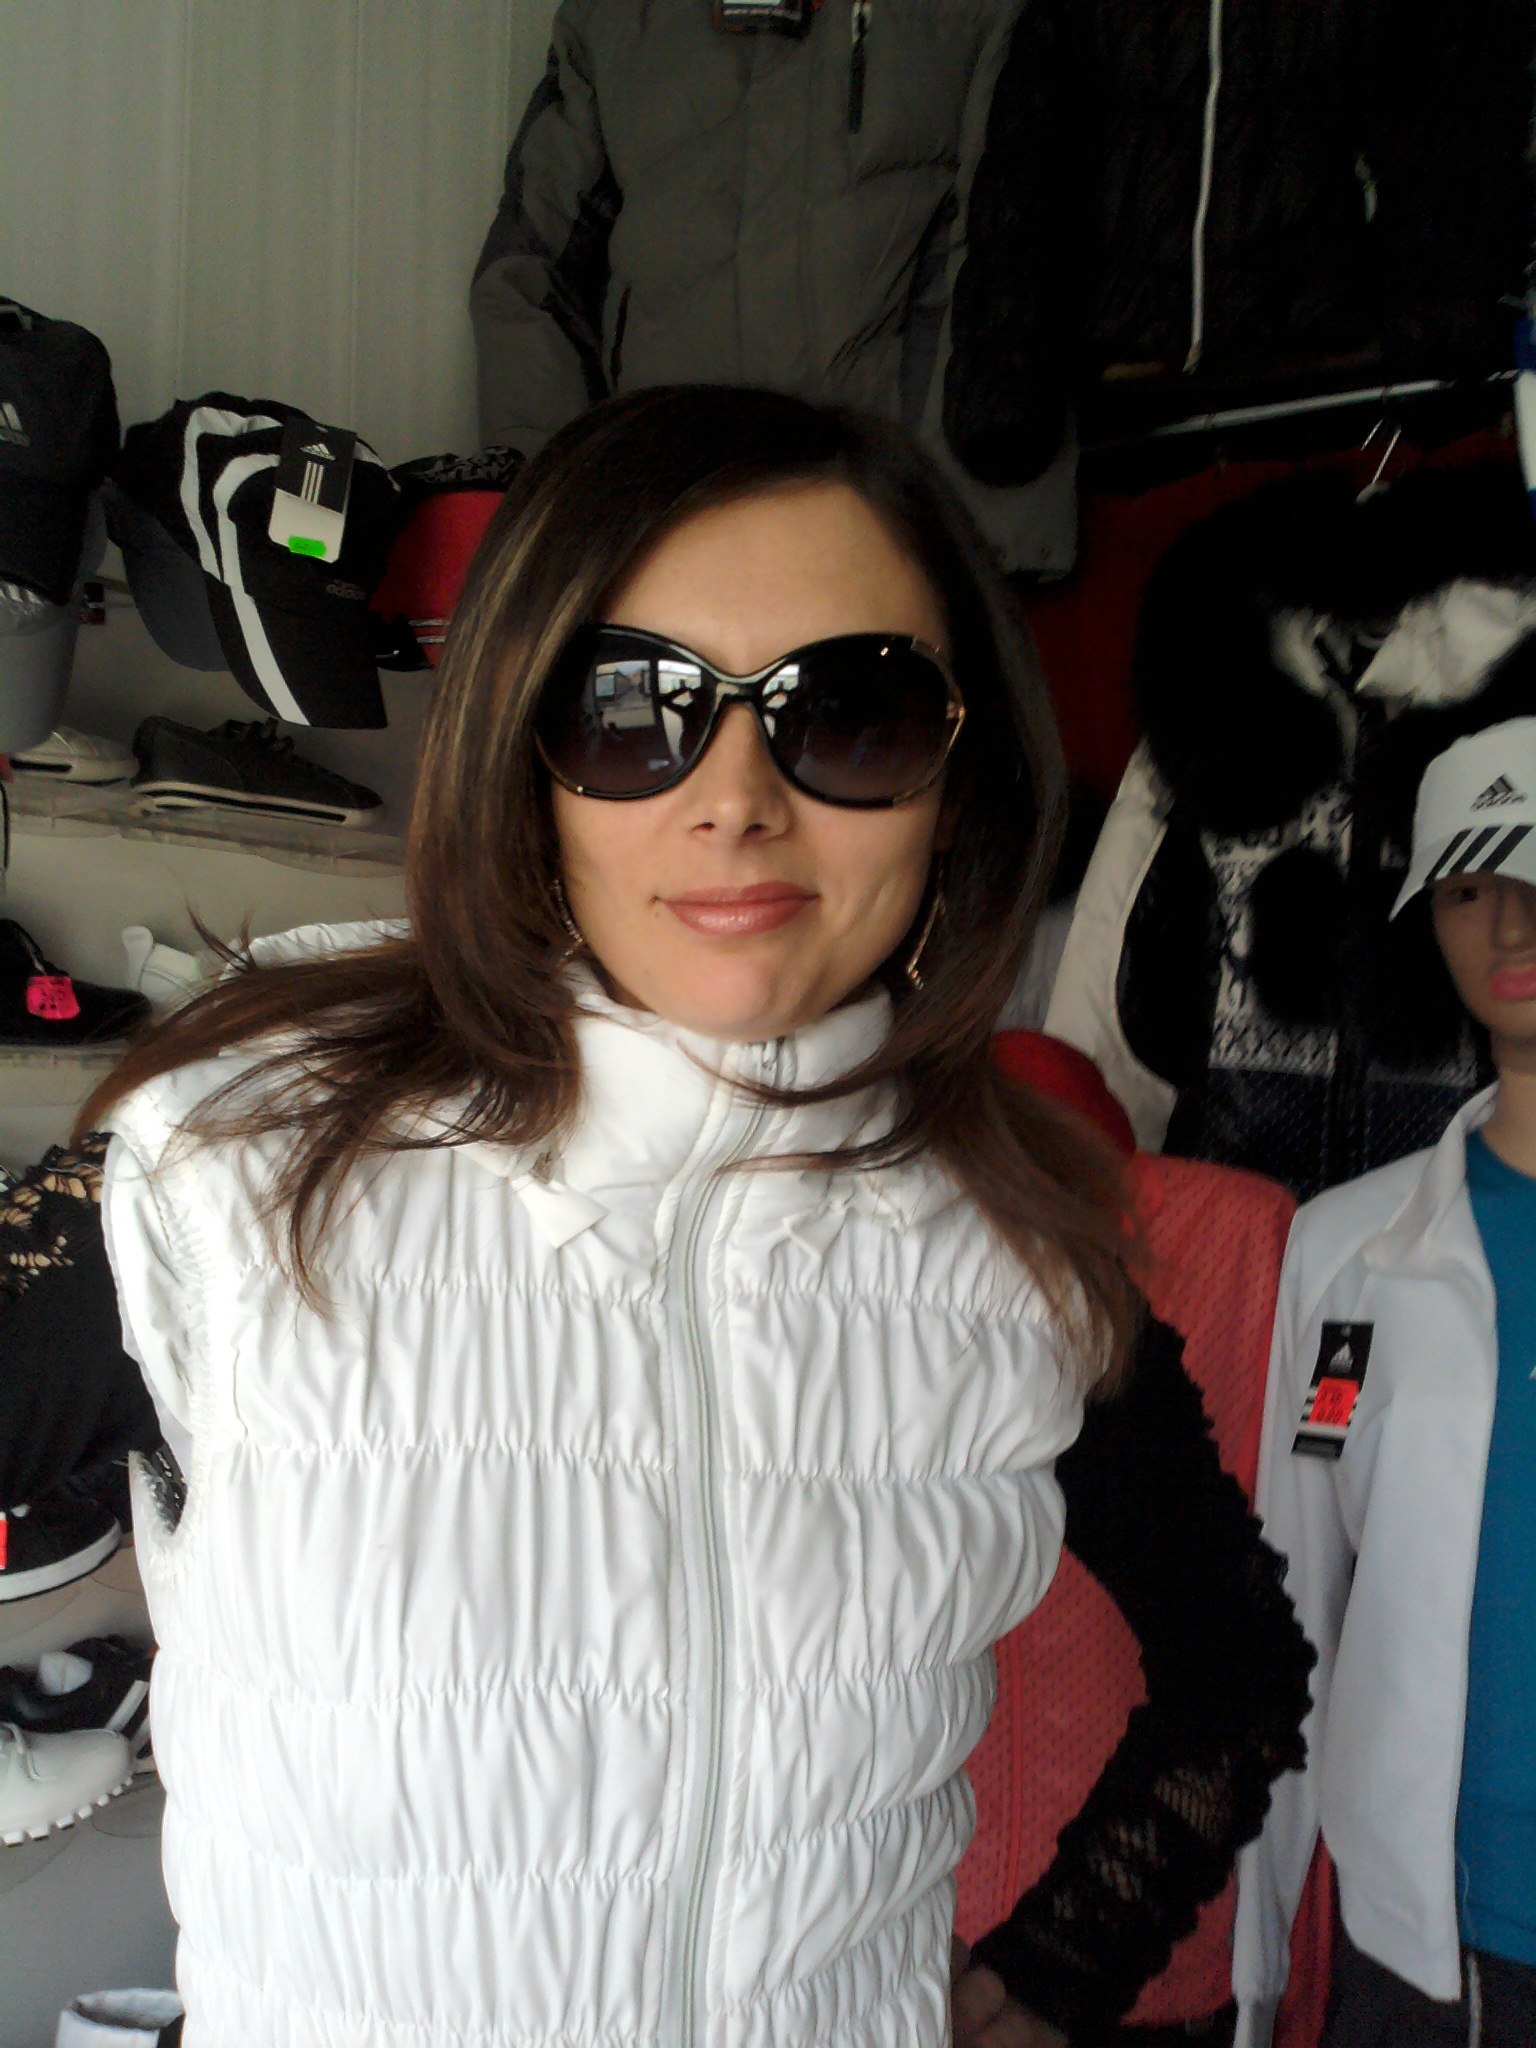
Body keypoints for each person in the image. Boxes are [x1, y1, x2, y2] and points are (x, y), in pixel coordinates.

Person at [80, 385, 1137, 2048]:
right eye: (634, 709)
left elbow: (1241, 1661)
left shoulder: (1019, 1238)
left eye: (851, 712)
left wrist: (1061, 1971)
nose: (736, 799)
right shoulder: (237, 1160)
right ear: (522, 755)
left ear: (964, 770)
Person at [1232, 717, 1536, 2047]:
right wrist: (1257, 1960)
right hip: (1422, 1942)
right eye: (1469, 889)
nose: (1511, 925)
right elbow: (1295, 1587)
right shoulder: (1349, 1253)